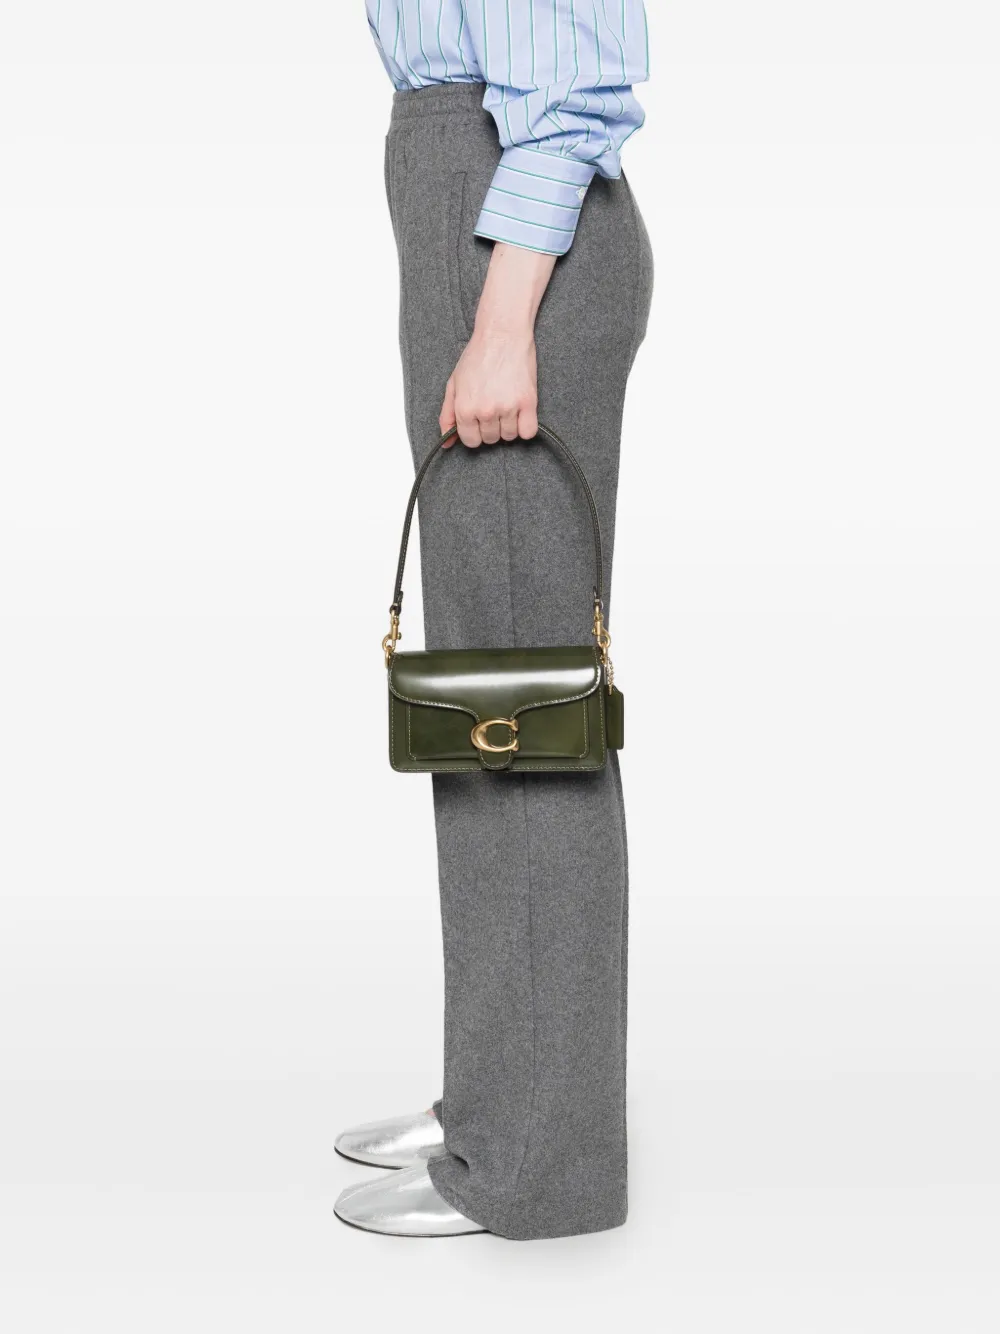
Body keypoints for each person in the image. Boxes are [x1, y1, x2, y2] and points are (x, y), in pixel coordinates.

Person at [334, 1, 653, 1241]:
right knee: (486, 708)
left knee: (525, 714)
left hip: (513, 247)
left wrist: (505, 319)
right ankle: (497, 1097)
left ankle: (538, 1163)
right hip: (467, 212)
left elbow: (573, 82)